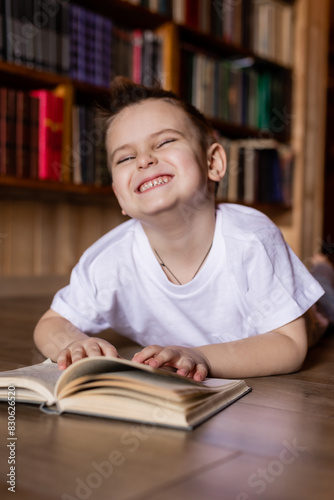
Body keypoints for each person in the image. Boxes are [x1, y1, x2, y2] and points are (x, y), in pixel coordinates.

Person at [34, 76, 328, 381]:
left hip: (304, 319)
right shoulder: (109, 260)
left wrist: (200, 356)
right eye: (126, 157)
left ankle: (322, 277)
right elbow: (51, 322)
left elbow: (290, 344)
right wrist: (73, 343)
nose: (145, 160)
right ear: (119, 195)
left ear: (213, 162)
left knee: (323, 309)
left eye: (164, 142)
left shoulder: (252, 239)